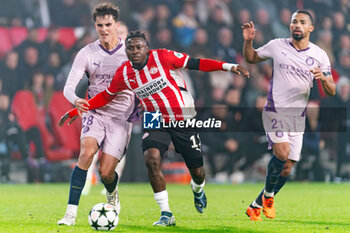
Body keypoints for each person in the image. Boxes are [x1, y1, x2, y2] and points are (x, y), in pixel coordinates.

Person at [59, 30, 249, 226]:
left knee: (198, 171)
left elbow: (195, 63)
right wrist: (76, 110)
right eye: (130, 48)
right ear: (126, 50)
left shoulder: (163, 57)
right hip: (153, 117)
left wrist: (228, 66)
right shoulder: (124, 73)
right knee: (151, 159)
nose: (135, 51)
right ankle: (166, 213)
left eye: (139, 47)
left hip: (181, 114)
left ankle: (198, 188)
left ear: (147, 48)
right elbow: (106, 96)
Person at [242, 9, 336, 221]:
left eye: (302, 22)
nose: (297, 25)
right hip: (275, 110)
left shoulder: (320, 55)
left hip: (297, 117)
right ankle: (268, 198)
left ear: (310, 28)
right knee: (282, 153)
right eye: (294, 21)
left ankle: (256, 204)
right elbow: (251, 57)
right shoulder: (277, 45)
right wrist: (248, 42)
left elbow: (332, 91)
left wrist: (324, 79)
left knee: (288, 166)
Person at [57, 3, 137, 226]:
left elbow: (144, 81)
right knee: (86, 152)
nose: (104, 29)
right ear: (95, 26)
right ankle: (70, 214)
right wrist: (76, 101)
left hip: (121, 118)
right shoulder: (87, 53)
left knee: (106, 171)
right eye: (100, 25)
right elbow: (68, 86)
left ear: (117, 25)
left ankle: (112, 193)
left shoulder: (130, 53)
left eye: (108, 24)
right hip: (96, 112)